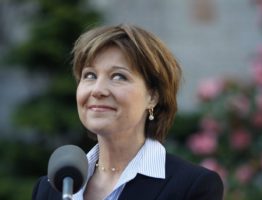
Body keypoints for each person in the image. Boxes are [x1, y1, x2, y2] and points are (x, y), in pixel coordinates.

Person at [32, 24, 224, 200]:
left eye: (118, 76)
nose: (97, 90)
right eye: (90, 75)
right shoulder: (49, 189)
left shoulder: (192, 187)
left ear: (153, 96)